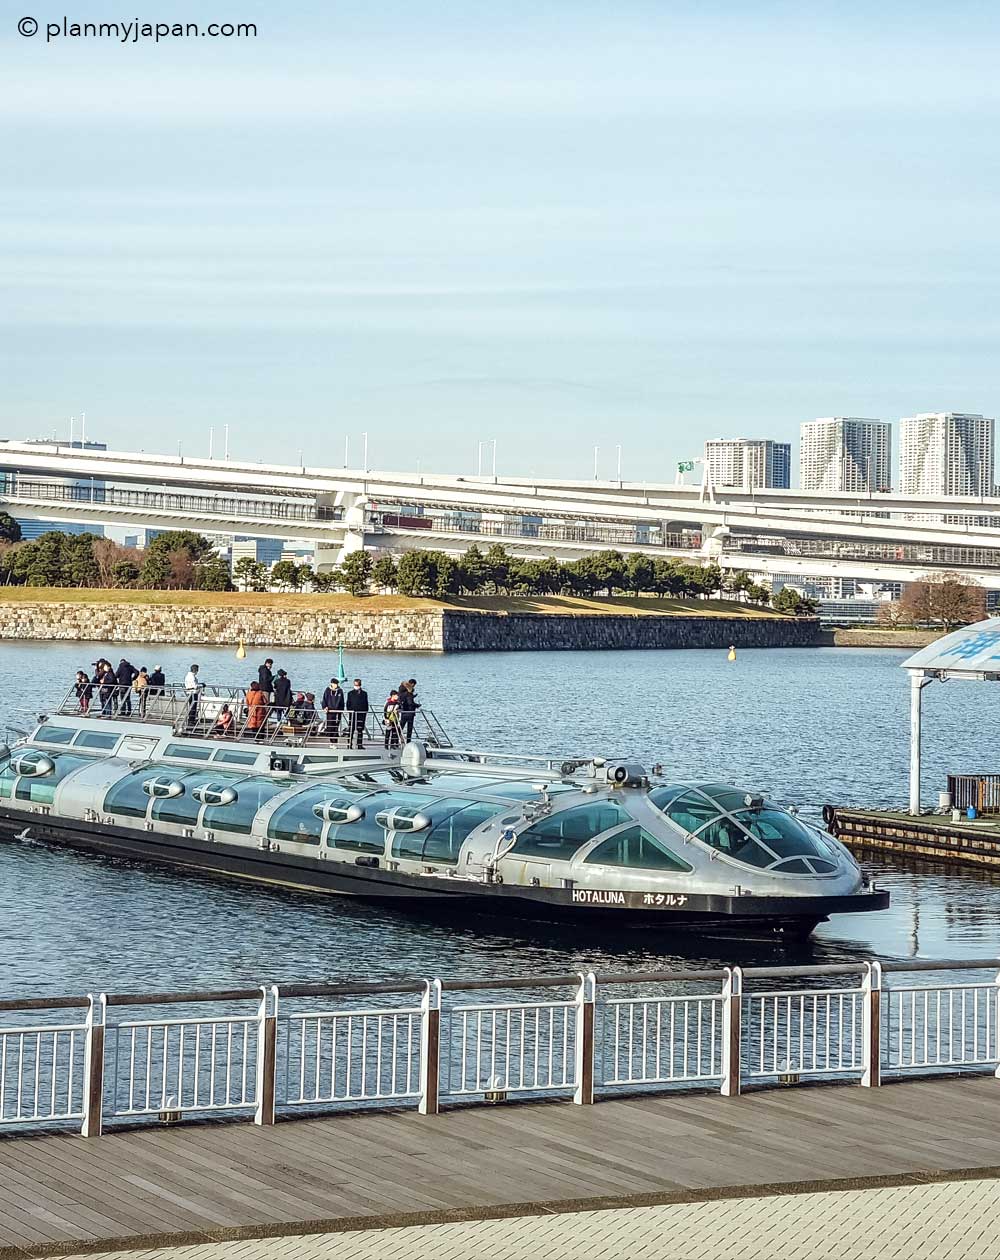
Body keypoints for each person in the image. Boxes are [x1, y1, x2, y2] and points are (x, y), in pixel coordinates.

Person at [345, 677, 369, 749]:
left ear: (360, 685)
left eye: (357, 685)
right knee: (351, 730)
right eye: (355, 685)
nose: (356, 686)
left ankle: (360, 745)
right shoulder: (350, 693)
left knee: (360, 730)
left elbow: (366, 704)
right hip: (352, 714)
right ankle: (349, 744)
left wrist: (365, 712)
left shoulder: (364, 693)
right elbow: (348, 703)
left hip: (361, 714)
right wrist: (350, 711)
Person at [321, 678, 345, 744]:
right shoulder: (327, 690)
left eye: (337, 684)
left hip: (337, 712)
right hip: (330, 711)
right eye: (335, 684)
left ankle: (335, 740)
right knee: (330, 725)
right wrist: (324, 707)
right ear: (331, 684)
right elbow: (324, 700)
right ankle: (331, 740)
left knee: (336, 726)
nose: (336, 685)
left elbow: (342, 701)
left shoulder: (340, 691)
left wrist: (341, 710)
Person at [399, 678, 420, 743]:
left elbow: (404, 699)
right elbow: (410, 702)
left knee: (401, 726)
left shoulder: (401, 691)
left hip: (404, 711)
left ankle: (395, 739)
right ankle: (408, 741)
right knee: (409, 728)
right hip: (410, 712)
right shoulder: (408, 694)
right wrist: (417, 705)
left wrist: (413, 696)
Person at [184, 664, 202, 729]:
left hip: (191, 693)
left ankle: (192, 719)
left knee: (192, 706)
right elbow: (194, 686)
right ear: (195, 670)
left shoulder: (189, 676)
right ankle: (191, 720)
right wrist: (201, 685)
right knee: (193, 707)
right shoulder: (191, 677)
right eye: (197, 670)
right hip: (192, 693)